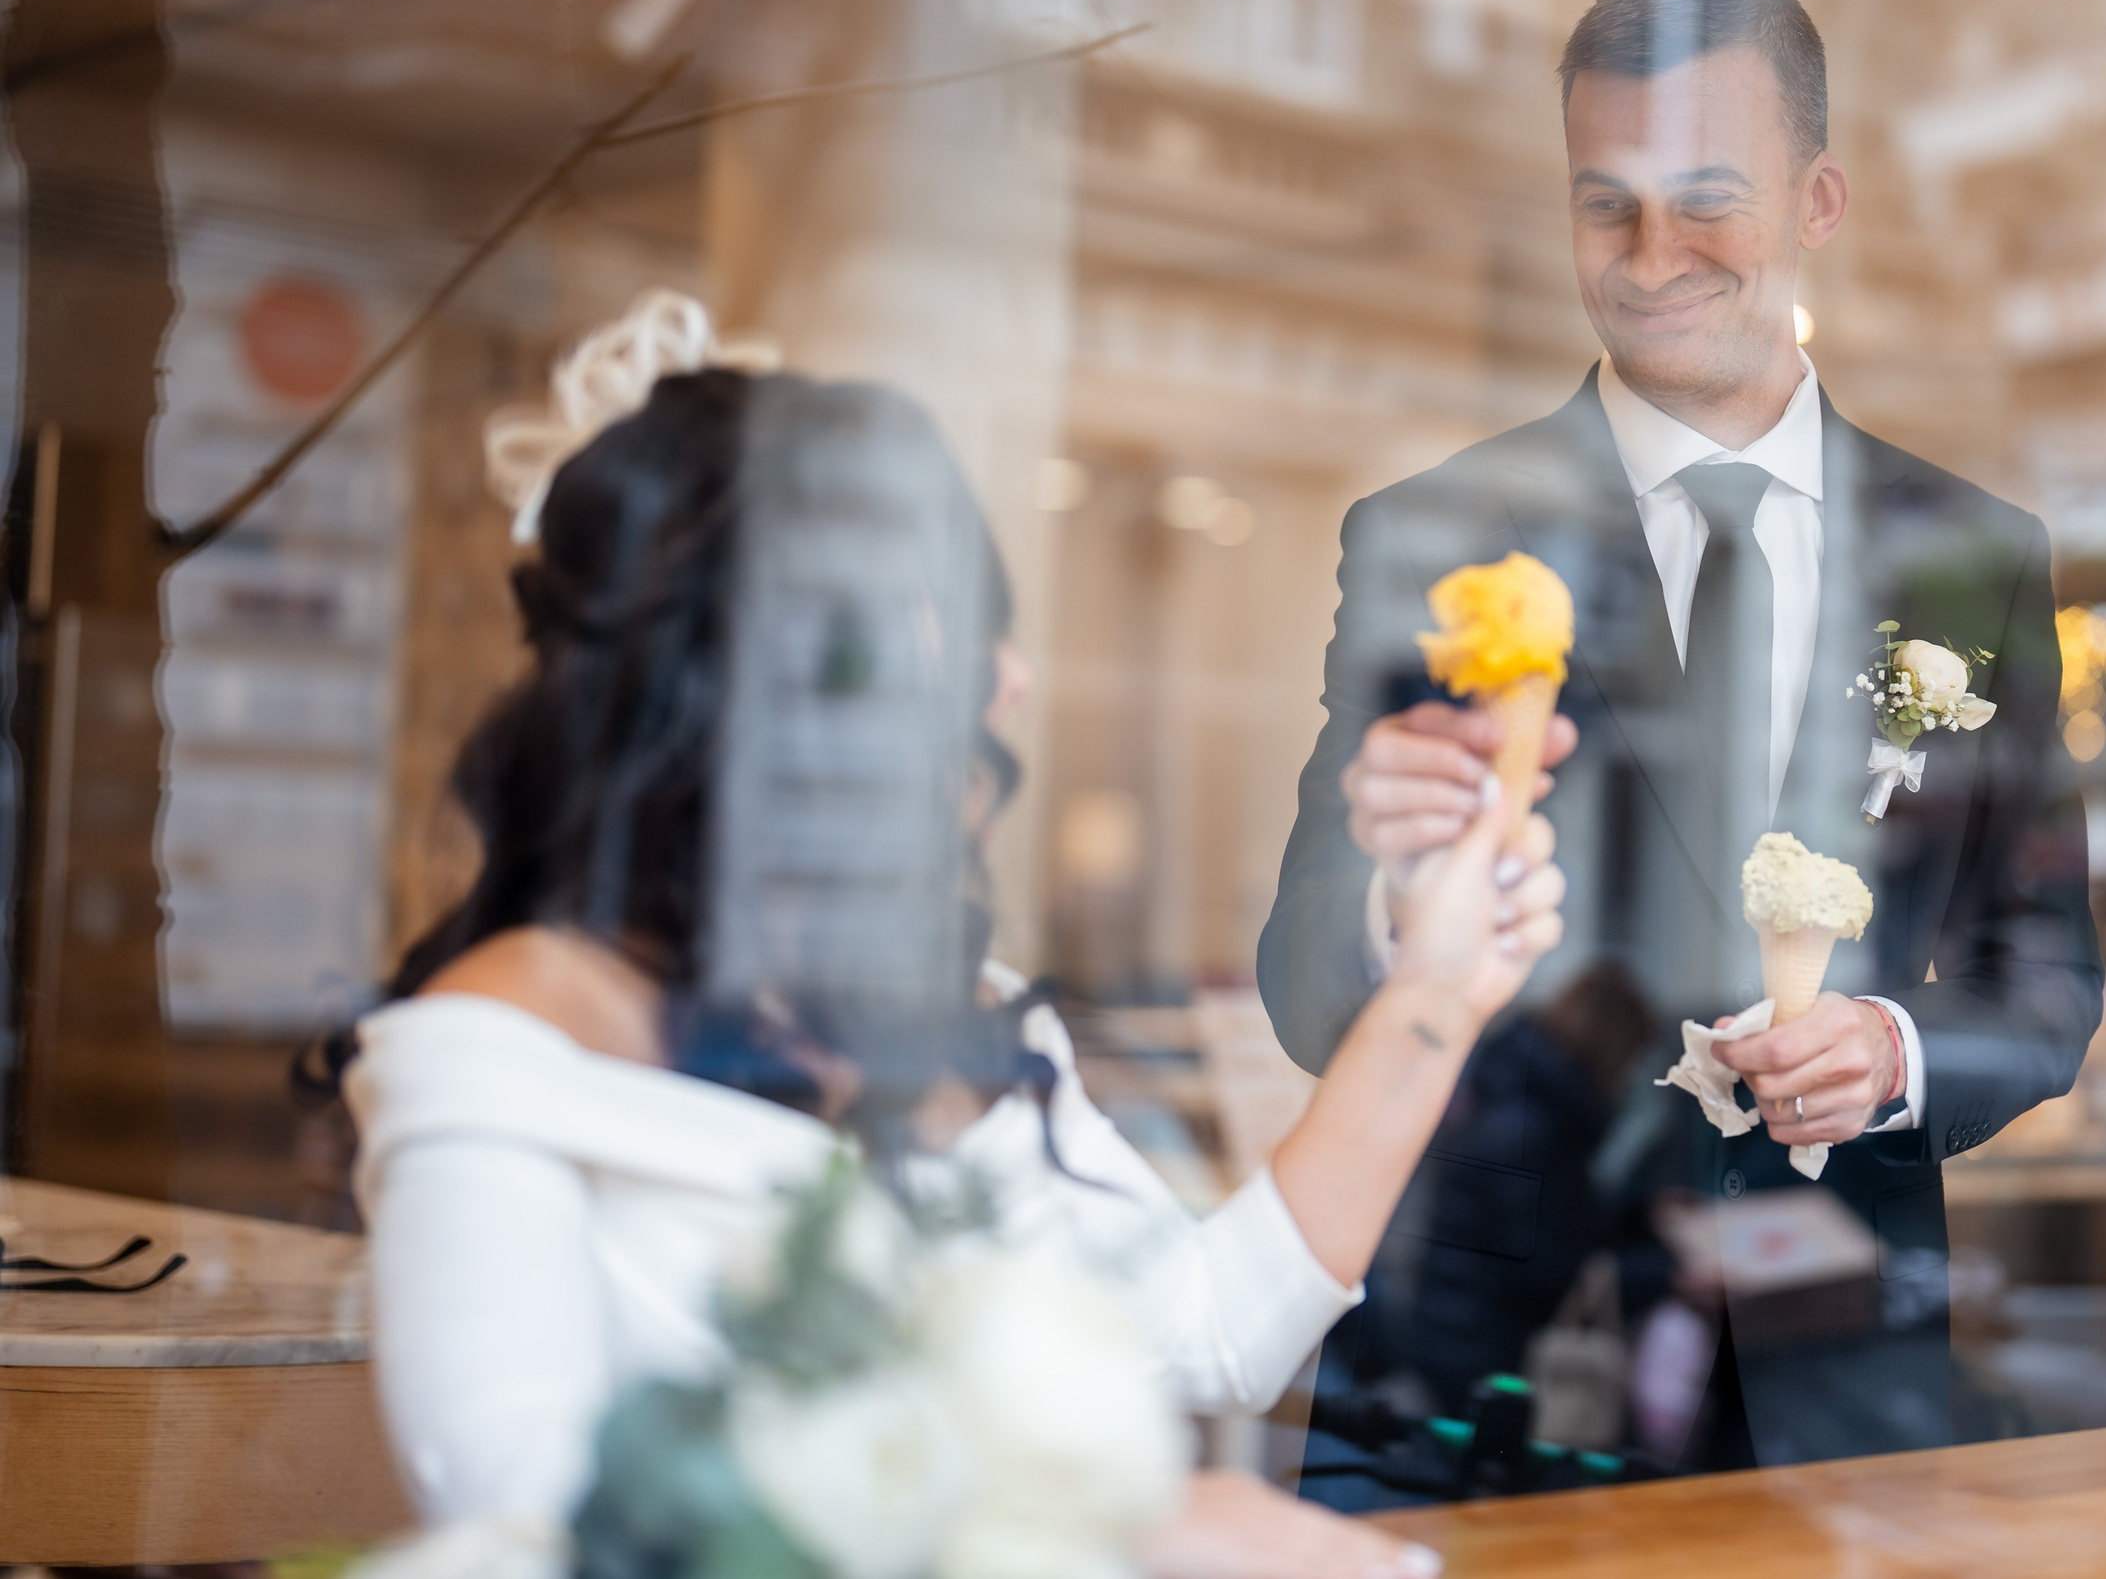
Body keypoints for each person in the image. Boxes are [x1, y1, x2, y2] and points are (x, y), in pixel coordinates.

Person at [331, 310, 1564, 1577]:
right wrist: (1135, 1538)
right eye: (962, 617)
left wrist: (1435, 991)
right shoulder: (492, 1057)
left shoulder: (952, 1012)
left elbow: (1207, 1333)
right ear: (795, 666)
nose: (1014, 679)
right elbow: (536, 1524)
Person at [1259, 0, 2101, 1472]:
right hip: (1484, 1360)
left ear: (1820, 201)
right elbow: (1302, 976)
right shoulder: (1437, 532)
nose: (1650, 254)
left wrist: (1897, 1049)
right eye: (1605, 202)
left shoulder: (1973, 560)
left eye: (1706, 195)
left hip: (1835, 1363)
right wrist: (1404, 906)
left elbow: (2042, 981)